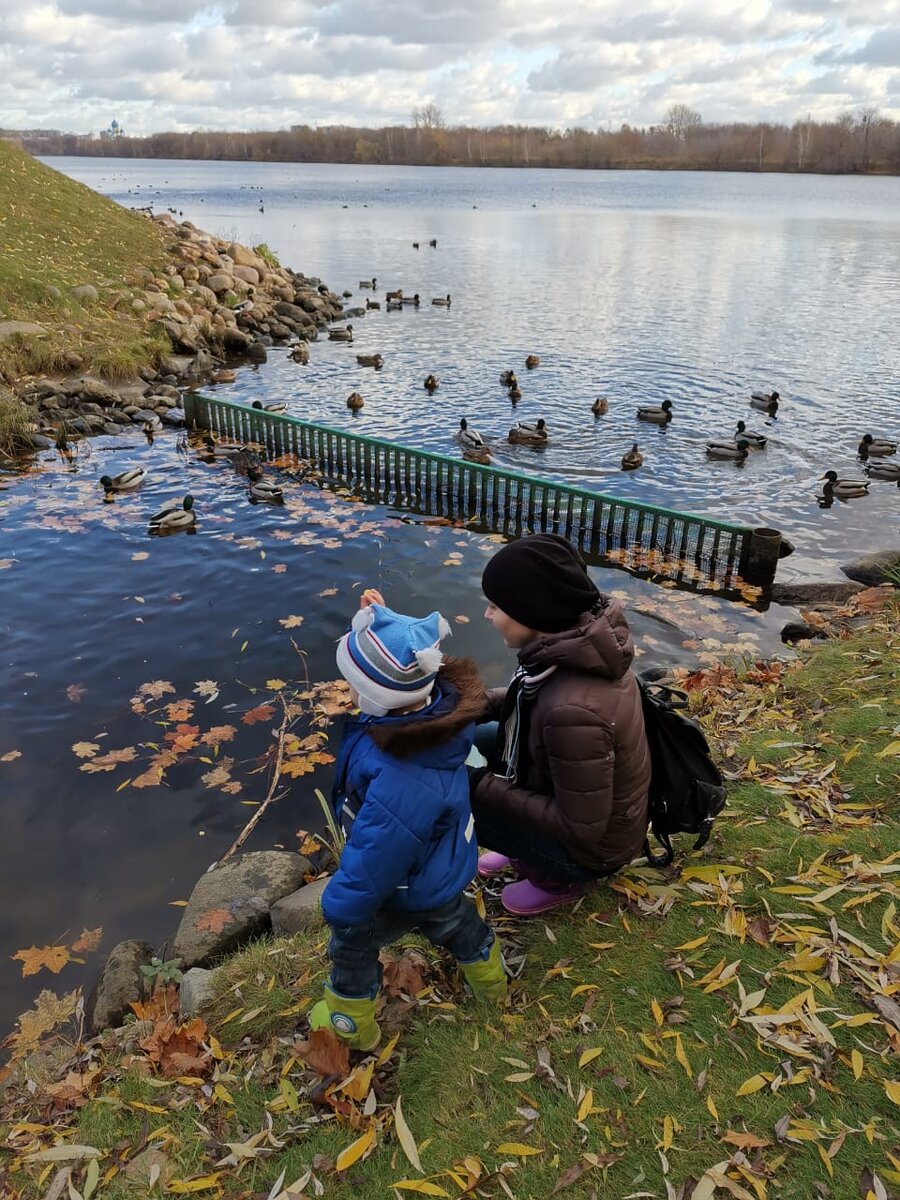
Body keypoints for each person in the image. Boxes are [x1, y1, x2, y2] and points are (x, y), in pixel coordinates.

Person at [310, 593, 507, 1050]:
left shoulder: (400, 777)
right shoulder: (432, 716)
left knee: (351, 946)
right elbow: (400, 663)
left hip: (399, 886)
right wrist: (376, 620)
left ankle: (352, 1025)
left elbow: (378, 854)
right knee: (458, 925)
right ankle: (492, 985)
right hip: (438, 868)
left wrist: (343, 904)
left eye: (354, 685)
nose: (349, 692)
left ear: (377, 697)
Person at [469, 534, 651, 916]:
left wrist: (480, 784)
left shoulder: (572, 713)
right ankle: (523, 849)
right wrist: (475, 705)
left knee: (461, 793)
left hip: (590, 851)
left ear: (532, 612)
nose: (487, 615)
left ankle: (555, 880)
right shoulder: (576, 645)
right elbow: (528, 697)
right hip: (579, 795)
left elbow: (580, 827)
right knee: (481, 737)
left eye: (495, 606)